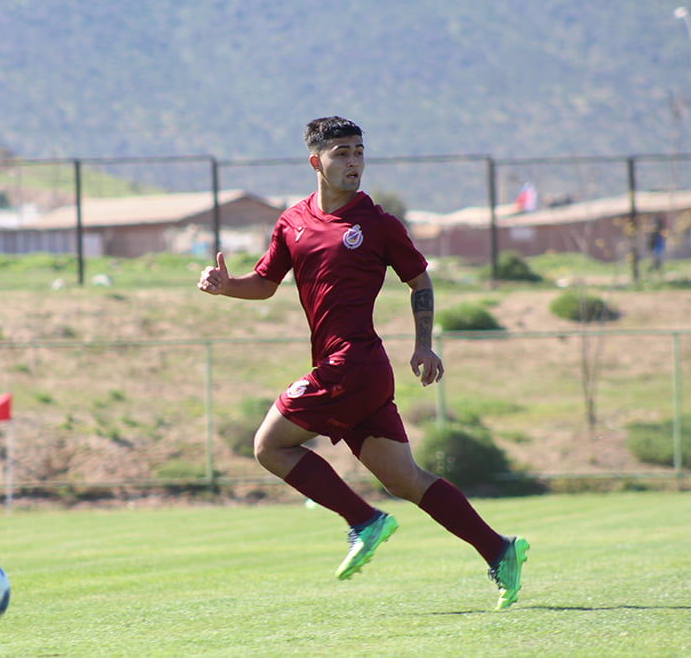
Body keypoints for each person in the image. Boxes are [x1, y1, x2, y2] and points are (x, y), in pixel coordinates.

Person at [197, 116, 528, 610]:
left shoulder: (378, 225)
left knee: (269, 446)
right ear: (316, 162)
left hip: (351, 363)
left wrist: (423, 344)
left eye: (359, 152)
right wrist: (227, 286)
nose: (354, 162)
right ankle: (499, 550)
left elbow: (419, 281)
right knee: (404, 480)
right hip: (359, 372)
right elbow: (264, 284)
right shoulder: (293, 221)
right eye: (342, 153)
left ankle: (364, 520)